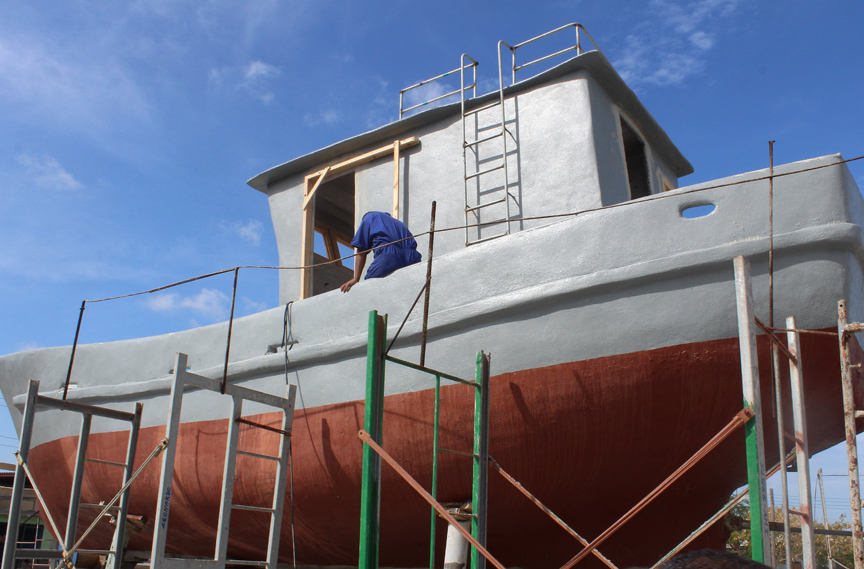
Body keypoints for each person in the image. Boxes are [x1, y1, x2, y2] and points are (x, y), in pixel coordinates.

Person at [340, 211, 422, 292]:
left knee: (368, 286)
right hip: (413, 257)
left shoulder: (369, 218)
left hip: (389, 254)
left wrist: (356, 278)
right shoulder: (398, 223)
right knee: (407, 289)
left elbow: (361, 250)